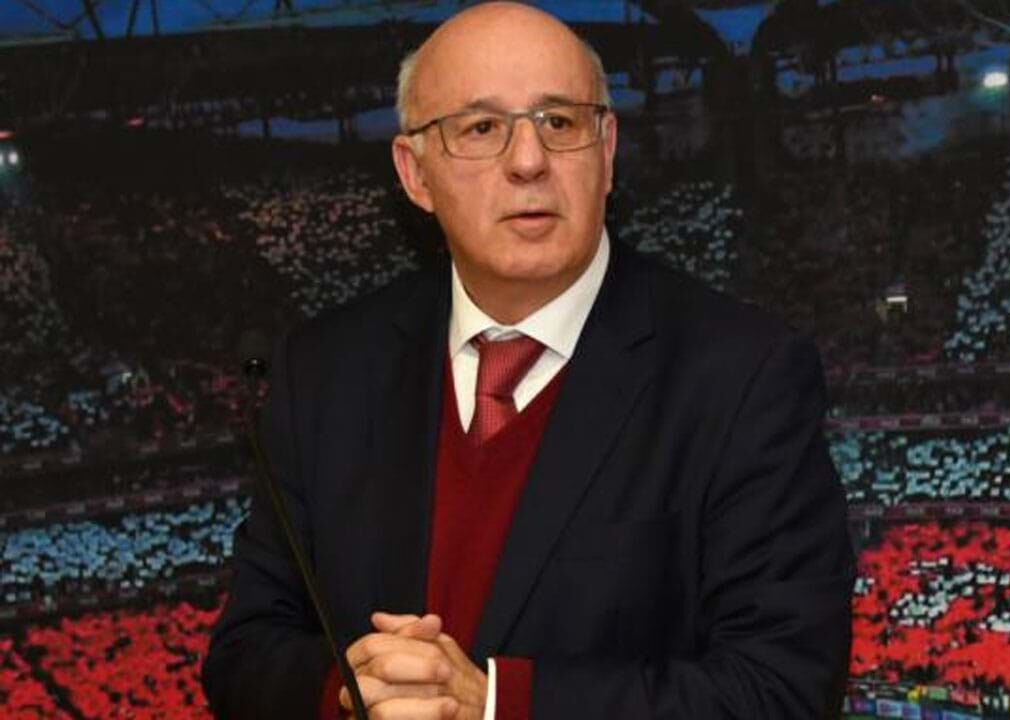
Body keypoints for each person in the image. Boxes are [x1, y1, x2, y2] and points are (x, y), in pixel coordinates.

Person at [201, 3, 852, 718]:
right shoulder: (324, 369)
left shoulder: (742, 375)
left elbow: (783, 687)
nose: (528, 160)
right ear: (415, 174)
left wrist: (494, 704)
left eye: (560, 122)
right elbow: (244, 655)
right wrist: (351, 691)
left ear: (607, 150)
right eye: (481, 128)